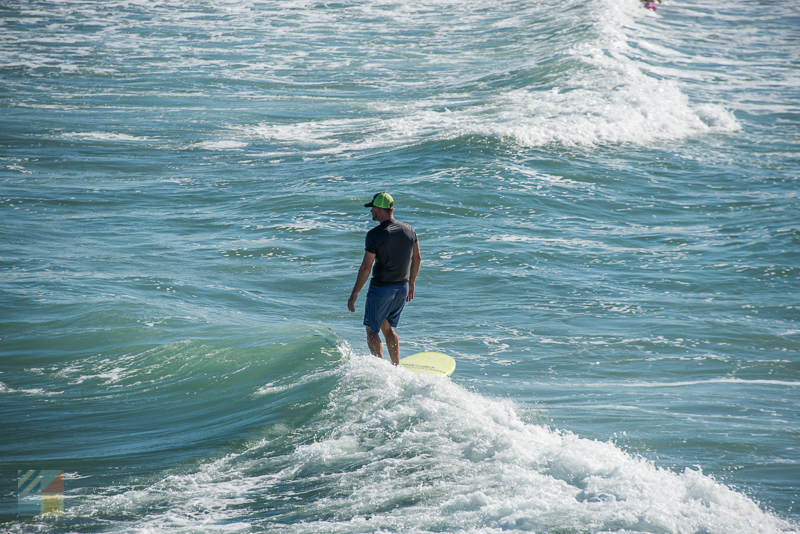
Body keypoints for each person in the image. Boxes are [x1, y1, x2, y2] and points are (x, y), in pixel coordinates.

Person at [347, 192, 421, 366]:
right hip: (401, 289)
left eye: (372, 208)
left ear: (379, 209)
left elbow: (366, 267)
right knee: (387, 328)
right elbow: (417, 258)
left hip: (381, 290)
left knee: (372, 330)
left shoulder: (374, 234)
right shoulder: (409, 230)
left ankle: (381, 369)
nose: (371, 211)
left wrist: (354, 293)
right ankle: (396, 367)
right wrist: (411, 282)